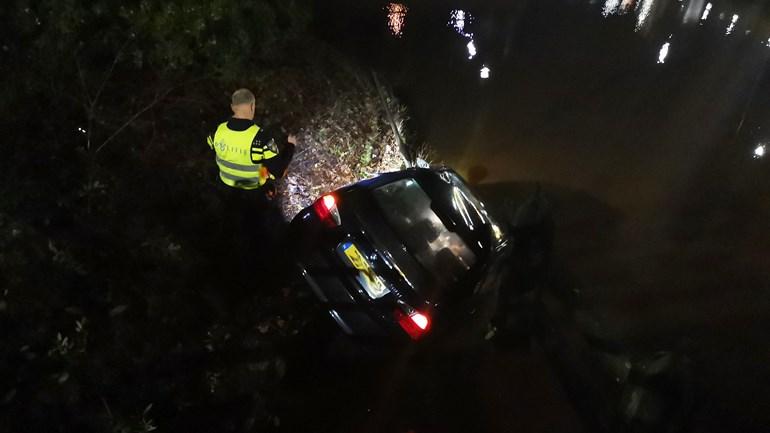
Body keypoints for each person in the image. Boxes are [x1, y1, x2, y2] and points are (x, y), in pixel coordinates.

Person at [207, 88, 296, 199]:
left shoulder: (216, 132)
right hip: (253, 189)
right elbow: (278, 172)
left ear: (232, 107)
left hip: (225, 185)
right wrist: (290, 146)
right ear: (252, 106)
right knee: (275, 171)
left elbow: (212, 147)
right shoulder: (262, 138)